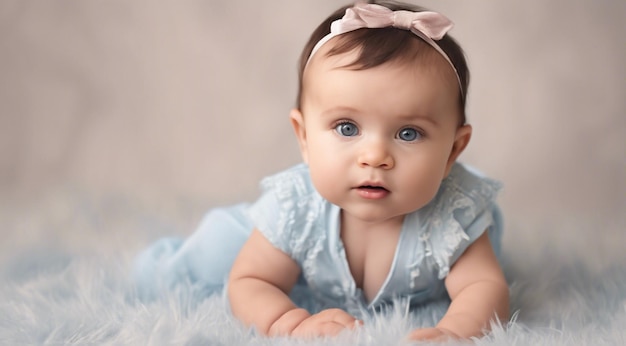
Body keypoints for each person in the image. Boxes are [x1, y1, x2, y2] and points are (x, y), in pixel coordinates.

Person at [133, 0, 509, 341]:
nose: (375, 156)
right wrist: (289, 321)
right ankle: (167, 264)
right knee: (216, 255)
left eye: (408, 133)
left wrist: (455, 331)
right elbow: (250, 280)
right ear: (304, 138)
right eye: (347, 128)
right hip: (270, 225)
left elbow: (484, 286)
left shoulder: (453, 216)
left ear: (452, 152)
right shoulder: (295, 209)